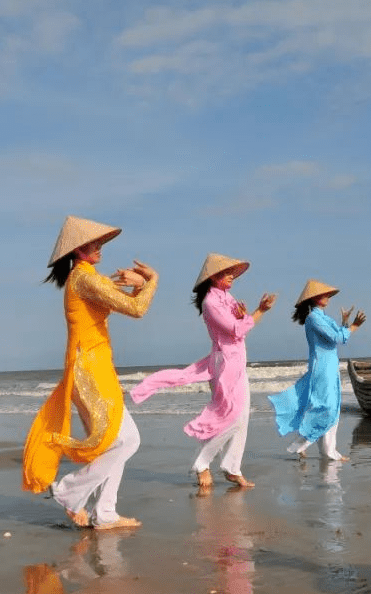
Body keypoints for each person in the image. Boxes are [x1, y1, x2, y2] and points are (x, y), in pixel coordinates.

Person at [22, 215, 158, 529]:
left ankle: (105, 512)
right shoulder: (84, 278)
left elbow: (128, 303)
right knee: (126, 441)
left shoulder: (87, 278)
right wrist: (153, 281)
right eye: (92, 243)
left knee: (118, 441)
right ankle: (68, 491)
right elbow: (137, 309)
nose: (99, 247)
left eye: (99, 242)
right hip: (89, 372)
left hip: (94, 369)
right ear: (77, 250)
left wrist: (137, 287)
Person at [130, 253, 276, 489]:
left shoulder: (228, 299)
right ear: (213, 276)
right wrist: (260, 311)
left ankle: (232, 467)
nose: (231, 276)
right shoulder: (211, 301)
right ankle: (201, 464)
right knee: (231, 418)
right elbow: (236, 331)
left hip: (238, 361)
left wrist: (244, 315)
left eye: (232, 273)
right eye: (226, 272)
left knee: (242, 417)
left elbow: (238, 327)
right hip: (225, 363)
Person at [269, 279, 365, 461]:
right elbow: (337, 338)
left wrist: (345, 322)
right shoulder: (313, 318)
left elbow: (339, 334)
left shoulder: (323, 317)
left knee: (333, 407)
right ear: (314, 298)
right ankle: (303, 446)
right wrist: (354, 326)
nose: (328, 296)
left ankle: (328, 451)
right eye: (324, 294)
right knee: (326, 407)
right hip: (322, 367)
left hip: (329, 365)